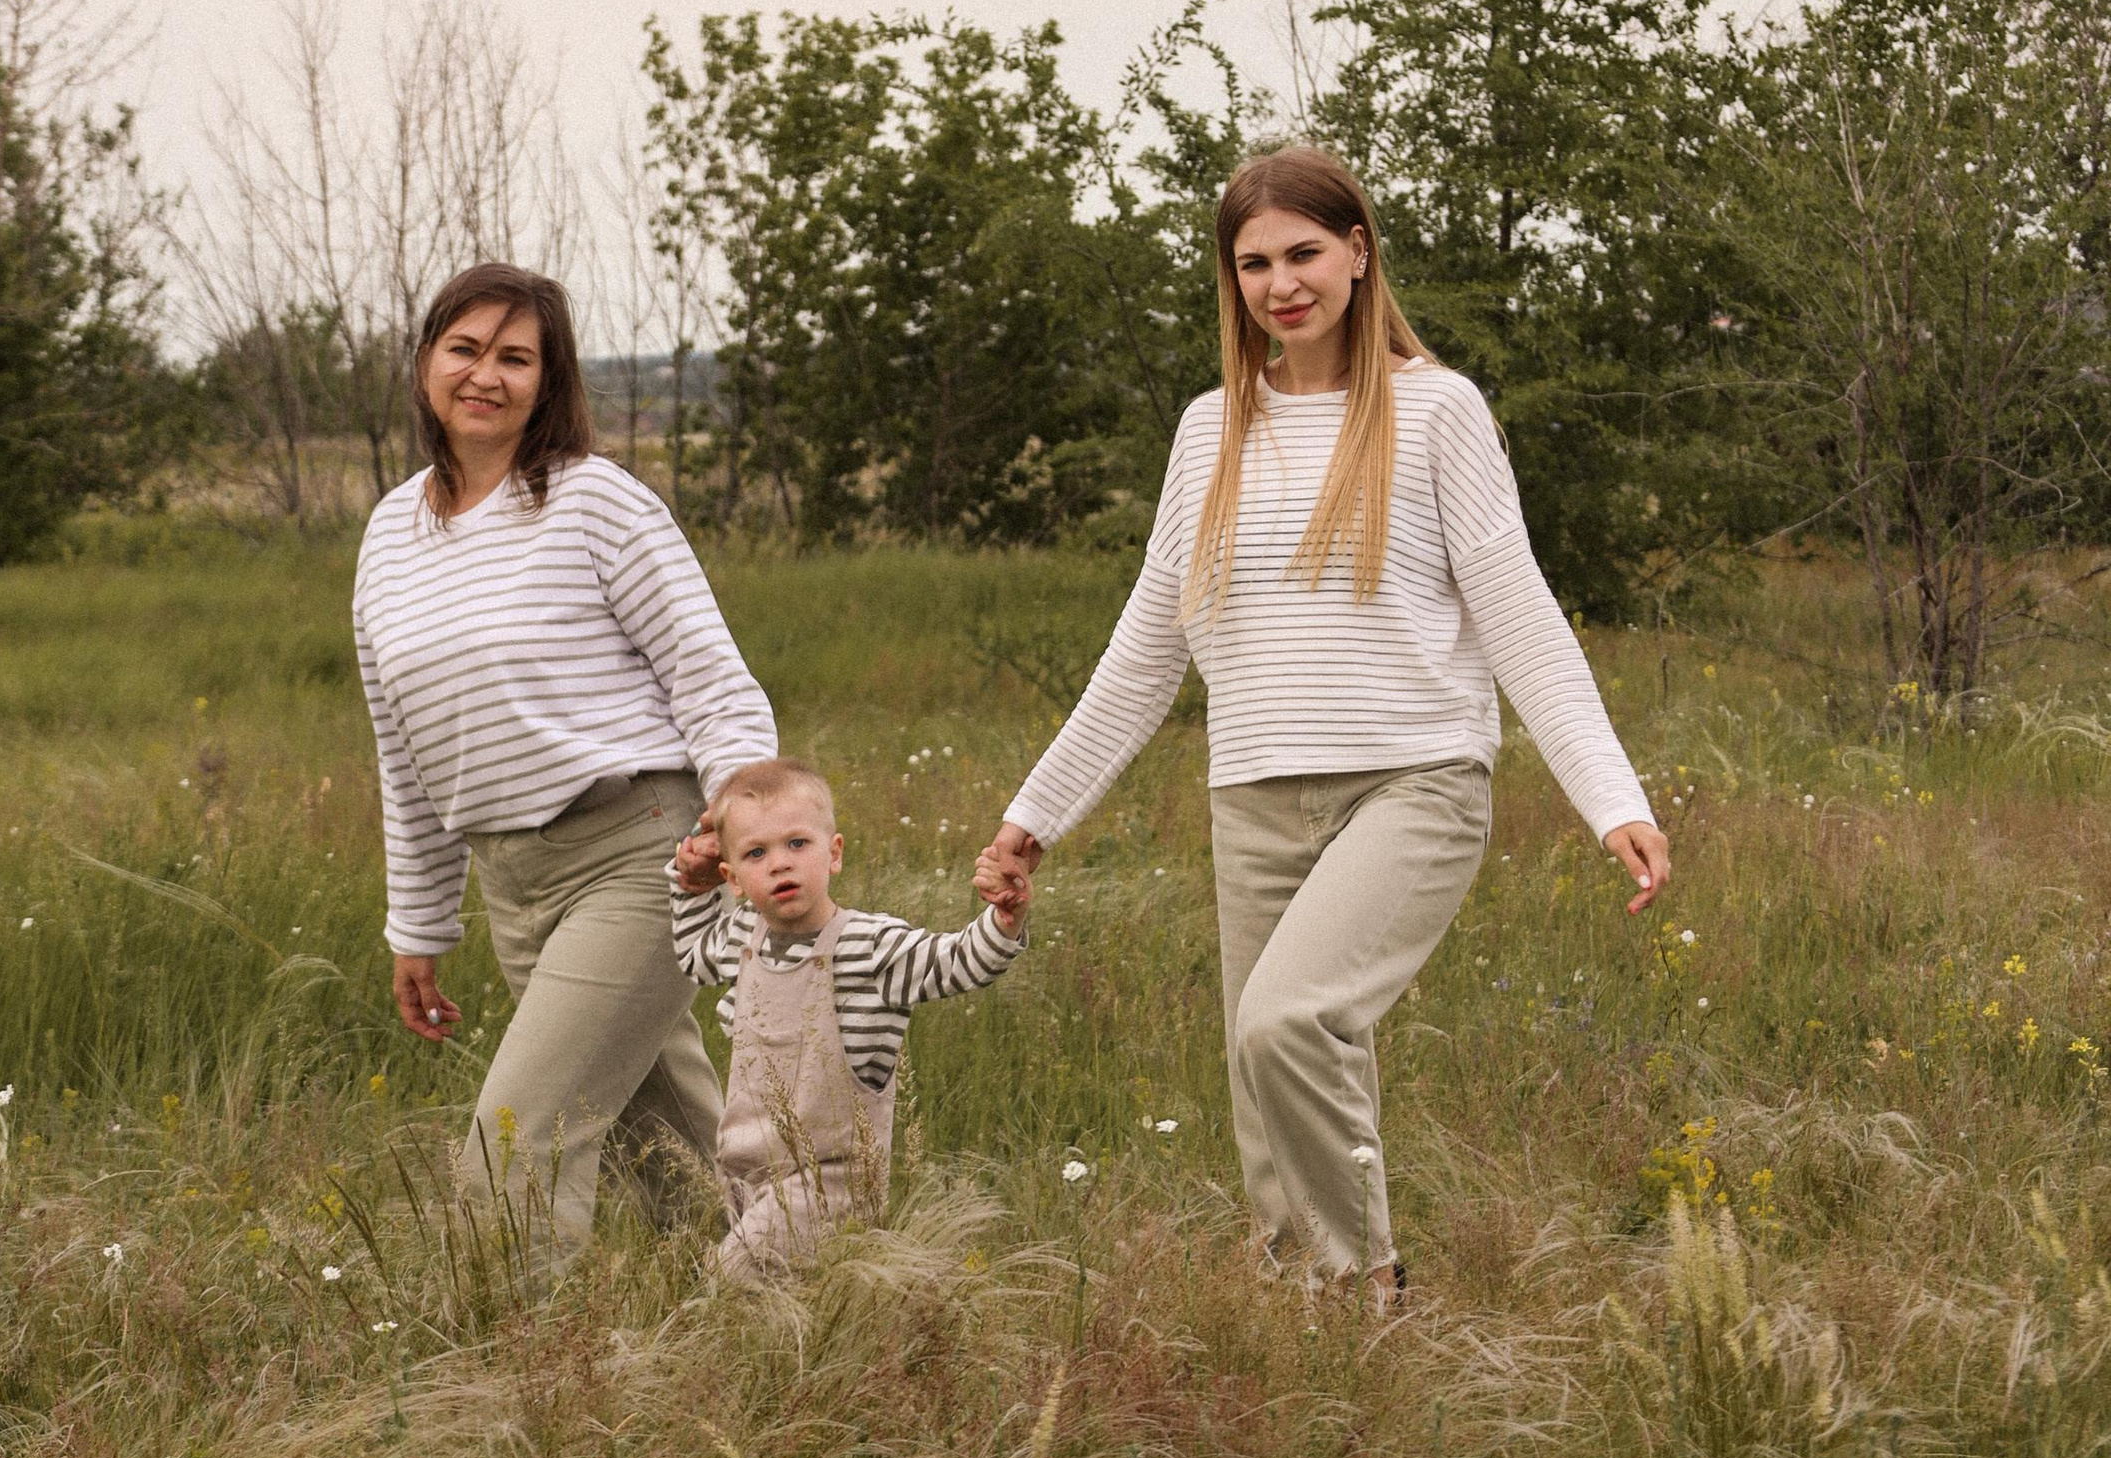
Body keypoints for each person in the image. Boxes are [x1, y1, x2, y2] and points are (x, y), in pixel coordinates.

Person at [975, 148, 1669, 1303]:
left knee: (1288, 1024)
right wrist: (1034, 816)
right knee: (1264, 1085)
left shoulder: (1436, 411)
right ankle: (1313, 1330)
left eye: (1302, 253)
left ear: (1357, 251)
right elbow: (1148, 647)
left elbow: (1521, 622)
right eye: (1252, 264)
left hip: (1413, 782)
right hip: (1252, 793)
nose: (1280, 284)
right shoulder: (1210, 429)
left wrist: (1611, 800)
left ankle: (1363, 1288)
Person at [353, 260, 777, 1267]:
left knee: (515, 1145)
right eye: (464, 349)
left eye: (515, 357)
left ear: (549, 380)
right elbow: (404, 747)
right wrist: (420, 925)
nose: (484, 375)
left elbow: (711, 680)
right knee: (670, 1157)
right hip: (513, 882)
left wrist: (747, 832)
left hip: (639, 858)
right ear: (424, 363)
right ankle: (803, 1299)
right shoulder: (391, 533)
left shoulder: (596, 503)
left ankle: (512, 1355)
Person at [668, 755, 1030, 1277]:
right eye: (756, 853)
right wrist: (689, 886)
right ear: (734, 878)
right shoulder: (741, 936)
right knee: (782, 1302)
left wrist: (1004, 920)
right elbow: (694, 954)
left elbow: (957, 963)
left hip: (829, 1183)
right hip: (745, 1173)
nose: (780, 863)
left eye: (798, 843)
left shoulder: (868, 946)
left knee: (730, 1280)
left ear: (833, 853)